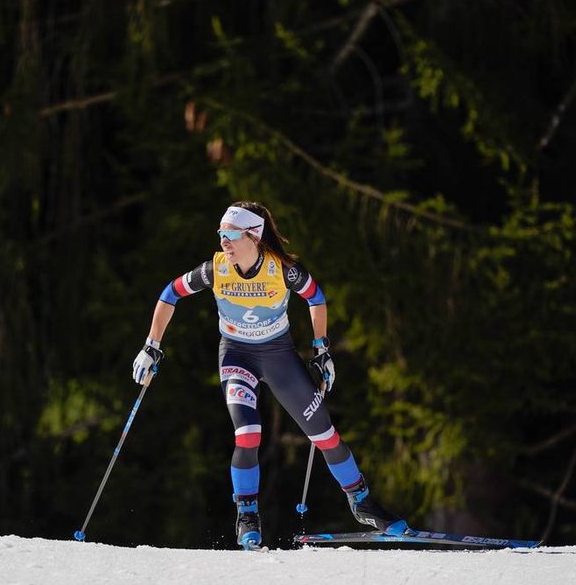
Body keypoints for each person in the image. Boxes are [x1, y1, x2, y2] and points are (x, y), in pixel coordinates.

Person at [132, 201, 409, 549]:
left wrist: (322, 349)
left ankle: (363, 502)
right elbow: (170, 293)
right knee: (247, 432)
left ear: (254, 236)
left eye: (231, 234)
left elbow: (316, 297)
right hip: (236, 355)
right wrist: (151, 344)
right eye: (221, 234)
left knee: (324, 434)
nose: (224, 242)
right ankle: (247, 515)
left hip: (279, 357)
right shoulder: (215, 269)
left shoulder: (283, 270)